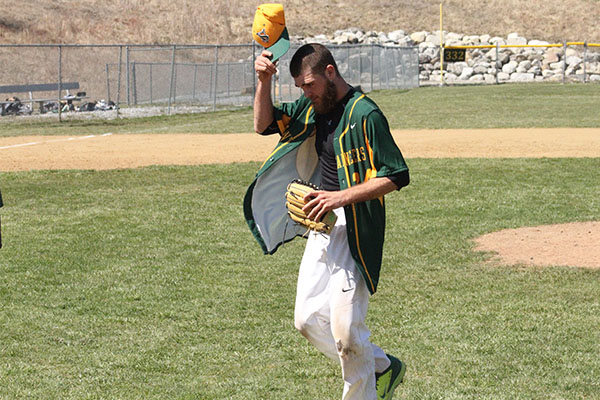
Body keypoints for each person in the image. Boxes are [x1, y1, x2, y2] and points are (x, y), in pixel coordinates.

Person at [245, 43, 409, 400]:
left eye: (309, 84)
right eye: (301, 88)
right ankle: (382, 366)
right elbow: (263, 124)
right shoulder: (313, 107)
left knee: (347, 332)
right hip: (320, 226)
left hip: (353, 227)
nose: (306, 93)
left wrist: (338, 198)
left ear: (330, 73)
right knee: (305, 320)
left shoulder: (366, 114)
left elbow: (396, 174)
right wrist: (262, 81)